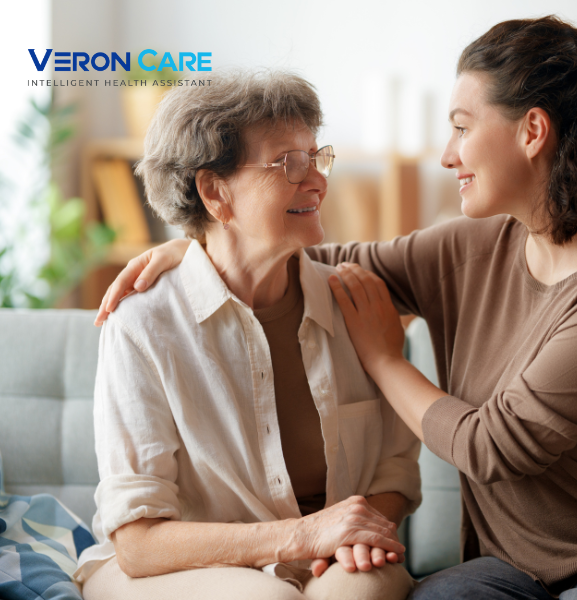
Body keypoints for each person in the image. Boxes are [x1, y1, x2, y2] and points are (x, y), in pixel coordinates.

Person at [94, 17, 577, 600]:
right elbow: (308, 255)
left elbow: (493, 447)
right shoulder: (476, 245)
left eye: (462, 127)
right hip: (513, 568)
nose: (446, 154)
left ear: (532, 131)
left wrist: (380, 356)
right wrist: (190, 248)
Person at [78, 70, 420, 600]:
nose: (318, 180)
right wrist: (302, 535)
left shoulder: (355, 301)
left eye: (316, 156)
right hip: (182, 568)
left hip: (332, 556)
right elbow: (138, 544)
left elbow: (395, 472)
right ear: (216, 192)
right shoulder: (142, 323)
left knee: (359, 594)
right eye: (290, 163)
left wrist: (356, 533)